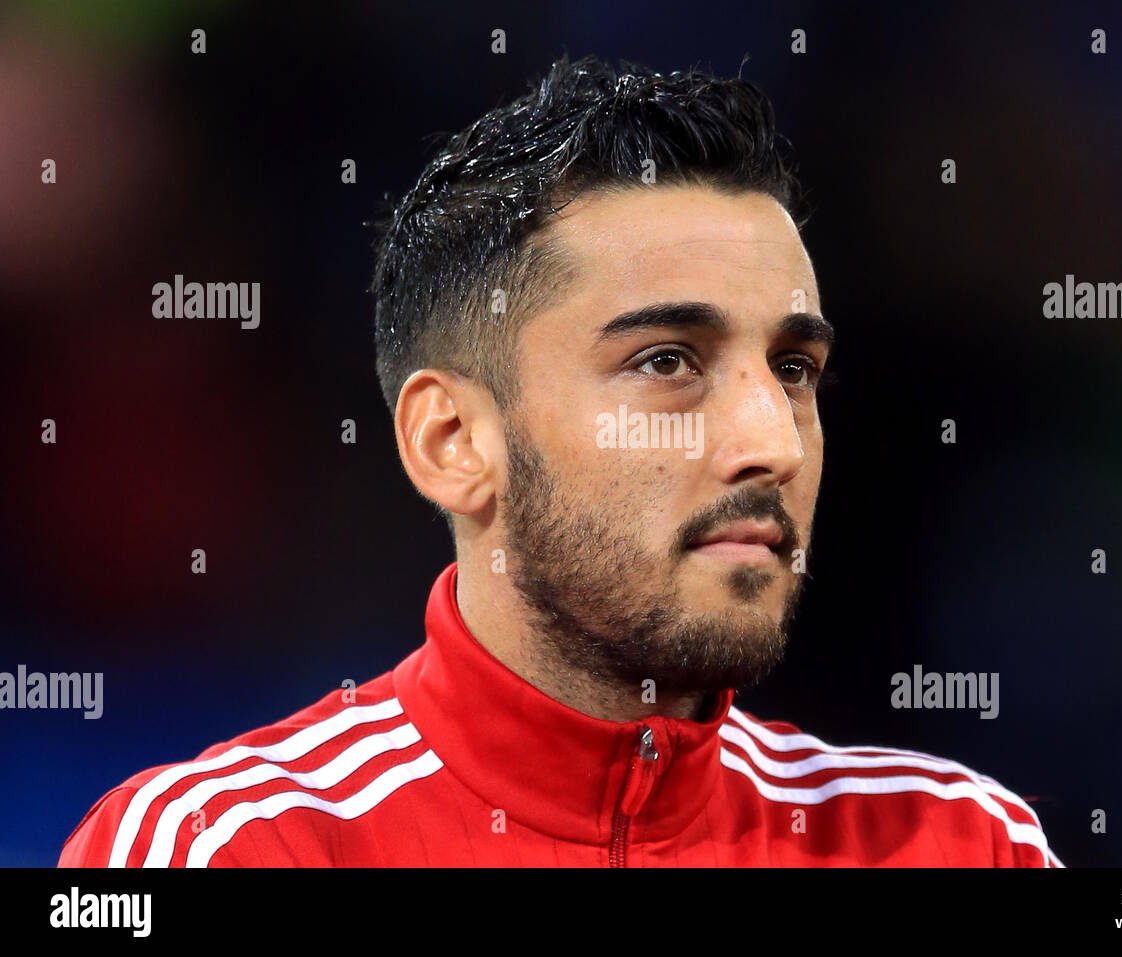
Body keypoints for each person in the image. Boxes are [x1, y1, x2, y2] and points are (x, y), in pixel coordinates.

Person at [59, 54, 1062, 867]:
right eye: (667, 362)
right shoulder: (225, 849)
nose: (771, 441)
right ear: (453, 444)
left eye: (793, 368)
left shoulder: (959, 843)